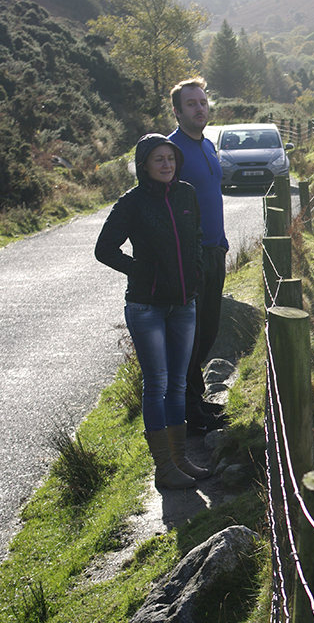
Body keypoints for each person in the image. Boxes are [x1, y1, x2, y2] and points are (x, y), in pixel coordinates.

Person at [95, 134, 211, 489]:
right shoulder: (131, 202)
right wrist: (143, 271)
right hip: (146, 305)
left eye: (170, 158)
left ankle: (180, 460)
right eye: (158, 159)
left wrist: (194, 270)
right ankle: (164, 468)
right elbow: (104, 249)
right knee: (157, 384)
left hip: (183, 304)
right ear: (144, 165)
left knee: (177, 384)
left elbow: (196, 237)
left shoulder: (187, 193)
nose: (166, 164)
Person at [168, 77, 229, 434]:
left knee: (207, 332)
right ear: (177, 111)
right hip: (190, 259)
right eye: (191, 104)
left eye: (203, 102)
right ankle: (190, 413)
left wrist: (221, 243)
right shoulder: (171, 150)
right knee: (189, 337)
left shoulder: (207, 146)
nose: (200, 108)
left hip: (214, 253)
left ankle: (197, 401)